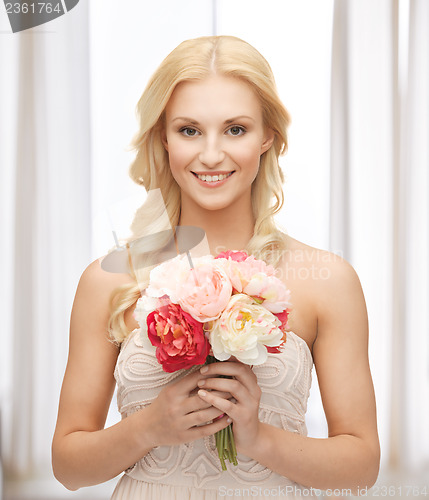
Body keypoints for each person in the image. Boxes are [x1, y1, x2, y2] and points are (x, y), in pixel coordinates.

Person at [52, 35, 380, 499]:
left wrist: (260, 439)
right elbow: (69, 468)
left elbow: (362, 469)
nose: (210, 155)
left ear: (268, 135)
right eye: (189, 130)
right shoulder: (108, 279)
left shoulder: (327, 281)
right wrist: (148, 427)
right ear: (163, 136)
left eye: (235, 129)